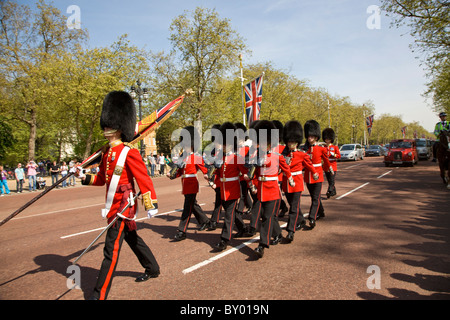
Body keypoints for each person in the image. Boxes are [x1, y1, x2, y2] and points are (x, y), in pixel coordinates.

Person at [76, 91, 160, 300]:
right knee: (132, 239)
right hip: (112, 205)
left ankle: (99, 295)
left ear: (119, 126)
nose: (106, 128)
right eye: (105, 124)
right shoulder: (107, 154)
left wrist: (151, 204)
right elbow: (102, 180)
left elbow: (144, 179)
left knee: (110, 251)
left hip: (123, 206)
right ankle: (153, 268)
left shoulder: (129, 152)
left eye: (109, 124)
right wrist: (83, 176)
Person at [248, 120, 294, 258]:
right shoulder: (257, 156)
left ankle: (262, 245)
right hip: (261, 189)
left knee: (267, 218)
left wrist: (290, 178)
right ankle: (278, 234)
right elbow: (254, 173)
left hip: (272, 190)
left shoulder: (276, 156)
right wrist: (252, 184)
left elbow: (286, 168)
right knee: (265, 217)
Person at [168, 125, 211, 241]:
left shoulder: (196, 157)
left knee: (187, 208)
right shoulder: (183, 157)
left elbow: (205, 169)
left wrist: (210, 177)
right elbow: (180, 172)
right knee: (193, 205)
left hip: (192, 184)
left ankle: (182, 231)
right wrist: (172, 175)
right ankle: (205, 221)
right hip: (185, 184)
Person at [213, 122, 248, 251]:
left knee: (228, 215)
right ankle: (243, 228)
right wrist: (213, 181)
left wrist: (252, 182)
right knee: (231, 213)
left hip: (232, 190)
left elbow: (246, 172)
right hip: (223, 190)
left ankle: (224, 239)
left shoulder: (236, 157)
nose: (222, 146)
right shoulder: (220, 158)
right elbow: (217, 173)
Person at [281, 121, 318, 242]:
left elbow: (309, 165)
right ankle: (301, 220)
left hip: (296, 183)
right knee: (292, 205)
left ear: (296, 142)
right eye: (289, 142)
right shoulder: (284, 155)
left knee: (293, 208)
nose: (290, 144)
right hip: (286, 183)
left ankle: (290, 231)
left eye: (292, 142)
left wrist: (314, 173)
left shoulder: (301, 154)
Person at [302, 120, 333, 229]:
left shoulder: (321, 149)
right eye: (308, 136)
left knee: (315, 198)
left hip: (317, 175)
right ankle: (321, 211)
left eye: (311, 136)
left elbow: (326, 160)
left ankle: (312, 218)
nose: (309, 138)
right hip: (308, 176)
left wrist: (330, 169)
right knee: (315, 197)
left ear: (316, 137)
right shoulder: (304, 149)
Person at [322, 128, 340, 198]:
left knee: (332, 180)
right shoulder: (323, 148)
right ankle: (333, 192)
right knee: (329, 180)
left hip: (333, 165)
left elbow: (339, 156)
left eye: (328, 139)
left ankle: (329, 191)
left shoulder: (334, 147)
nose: (327, 140)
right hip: (326, 166)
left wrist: (334, 155)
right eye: (326, 139)